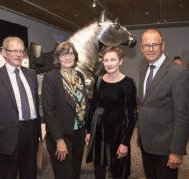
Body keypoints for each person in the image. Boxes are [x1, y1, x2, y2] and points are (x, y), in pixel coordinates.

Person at [0, 36, 41, 179]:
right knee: (8, 174)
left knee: (30, 172)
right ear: (4, 53)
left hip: (31, 131)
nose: (18, 54)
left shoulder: (31, 74)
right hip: (7, 135)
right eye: (14, 51)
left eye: (21, 51)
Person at [138, 28, 189, 179]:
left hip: (166, 149)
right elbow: (144, 104)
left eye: (155, 44)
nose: (151, 48)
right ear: (141, 48)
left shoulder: (178, 72)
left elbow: (183, 115)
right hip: (146, 144)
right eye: (147, 45)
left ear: (163, 46)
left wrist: (177, 151)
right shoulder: (143, 70)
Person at [85, 46, 137, 179]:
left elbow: (130, 116)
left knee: (118, 170)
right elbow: (93, 106)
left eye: (113, 59)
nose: (109, 63)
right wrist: (89, 131)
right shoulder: (99, 80)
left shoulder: (128, 83)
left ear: (120, 61)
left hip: (117, 132)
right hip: (99, 131)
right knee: (99, 169)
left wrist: (125, 143)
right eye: (106, 60)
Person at [42, 41, 89, 179]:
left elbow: (83, 103)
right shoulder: (51, 77)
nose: (67, 57)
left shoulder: (79, 76)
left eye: (70, 53)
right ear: (58, 58)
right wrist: (59, 140)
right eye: (63, 54)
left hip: (79, 132)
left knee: (75, 173)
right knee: (64, 175)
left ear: (75, 56)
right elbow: (48, 110)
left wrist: (87, 129)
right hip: (61, 135)